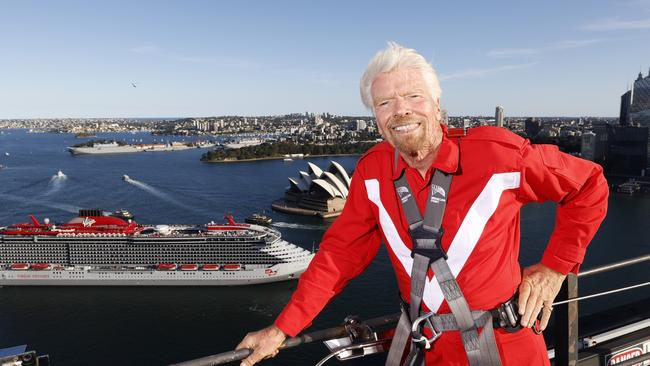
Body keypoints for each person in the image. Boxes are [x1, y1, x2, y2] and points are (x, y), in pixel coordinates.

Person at [236, 42, 608, 366]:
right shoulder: (372, 173)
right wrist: (282, 329)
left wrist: (555, 267)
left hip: (507, 349)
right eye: (385, 102)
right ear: (377, 117)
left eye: (413, 96)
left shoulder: (497, 155)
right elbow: (338, 256)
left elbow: (589, 183)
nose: (400, 110)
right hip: (426, 350)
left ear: (437, 104)